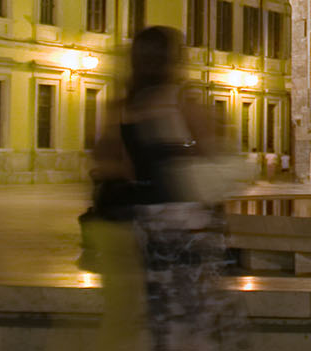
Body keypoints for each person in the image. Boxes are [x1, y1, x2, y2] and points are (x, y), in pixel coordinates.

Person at [91, 27, 242, 350]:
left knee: (161, 316)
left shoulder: (122, 107)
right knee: (194, 318)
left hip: (146, 224)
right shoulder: (180, 102)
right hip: (185, 225)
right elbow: (214, 153)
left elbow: (108, 163)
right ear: (172, 59)